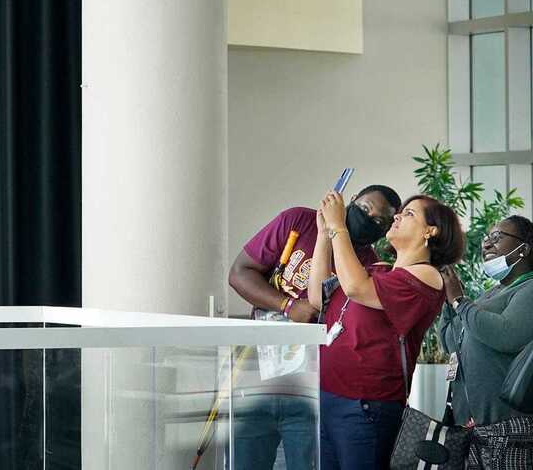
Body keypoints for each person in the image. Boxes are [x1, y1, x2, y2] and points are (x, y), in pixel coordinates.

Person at [227, 184, 401, 469]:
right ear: (352, 199)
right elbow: (239, 273)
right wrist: (287, 305)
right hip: (257, 377)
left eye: (379, 221)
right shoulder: (298, 221)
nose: (369, 219)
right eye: (366, 208)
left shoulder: (366, 266)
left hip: (312, 391)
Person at [309, 193, 464, 470]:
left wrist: (339, 227)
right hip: (329, 397)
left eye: (409, 214)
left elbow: (357, 288)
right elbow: (317, 298)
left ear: (431, 231)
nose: (397, 216)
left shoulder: (427, 277)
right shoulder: (378, 270)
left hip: (365, 406)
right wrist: (324, 233)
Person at [439, 215, 533, 467]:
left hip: (509, 430)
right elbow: (449, 344)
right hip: (472, 430)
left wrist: (460, 301)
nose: (487, 244)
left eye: (497, 237)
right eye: (486, 238)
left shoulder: (528, 289)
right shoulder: (488, 295)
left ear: (523, 249)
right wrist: (448, 303)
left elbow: (506, 335)